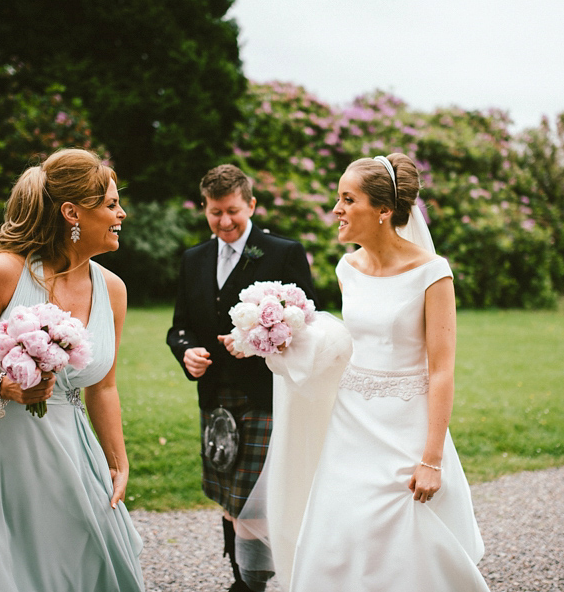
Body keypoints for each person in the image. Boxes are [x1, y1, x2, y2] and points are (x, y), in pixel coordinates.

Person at [245, 154, 489, 591]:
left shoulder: (433, 273)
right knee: (342, 531)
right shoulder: (347, 269)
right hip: (351, 422)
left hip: (407, 426)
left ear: (383, 211)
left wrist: (431, 459)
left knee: (405, 535)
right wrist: (278, 336)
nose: (335, 209)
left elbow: (442, 371)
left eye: (347, 198)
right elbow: (344, 344)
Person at [0, 149, 144, 591]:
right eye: (110, 204)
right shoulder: (4, 271)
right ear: (72, 213)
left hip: (70, 448)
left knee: (88, 564)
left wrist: (117, 461)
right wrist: (5, 386)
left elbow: (103, 387)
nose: (122, 213)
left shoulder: (113, 290)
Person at [166, 164, 316, 592]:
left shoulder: (282, 252)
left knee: (256, 499)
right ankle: (241, 578)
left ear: (251, 204)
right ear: (205, 208)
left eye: (233, 211)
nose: (225, 221)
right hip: (215, 396)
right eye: (215, 213)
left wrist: (252, 343)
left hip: (265, 395)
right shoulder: (193, 258)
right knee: (231, 496)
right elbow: (180, 326)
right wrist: (186, 351)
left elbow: (308, 321)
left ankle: (257, 581)